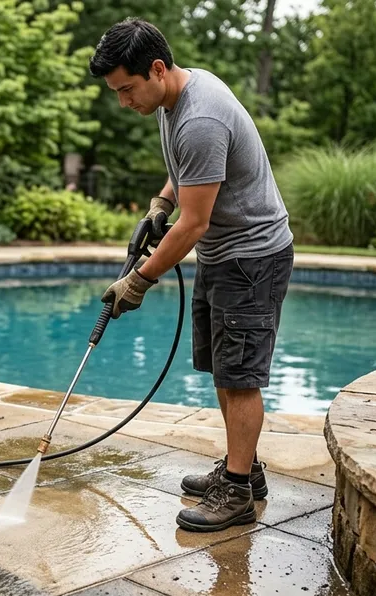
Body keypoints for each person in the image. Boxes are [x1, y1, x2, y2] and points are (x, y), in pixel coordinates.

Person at [91, 18, 294, 532]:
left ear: (157, 69)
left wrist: (138, 280)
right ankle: (244, 470)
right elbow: (186, 173)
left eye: (127, 89)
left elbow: (194, 223)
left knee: (240, 379)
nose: (124, 101)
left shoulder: (200, 117)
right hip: (225, 255)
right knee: (226, 371)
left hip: (251, 258)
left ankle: (237, 493)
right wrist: (161, 203)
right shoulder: (175, 97)